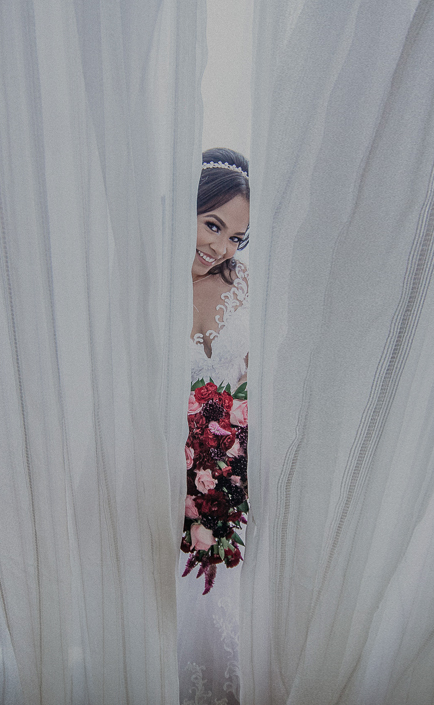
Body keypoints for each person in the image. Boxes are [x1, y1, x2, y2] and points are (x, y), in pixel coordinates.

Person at [179, 148, 250, 705]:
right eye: (212, 225)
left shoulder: (244, 286)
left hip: (225, 484)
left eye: (236, 238)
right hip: (154, 477)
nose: (221, 248)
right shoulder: (142, 287)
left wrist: (229, 465)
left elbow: (254, 380)